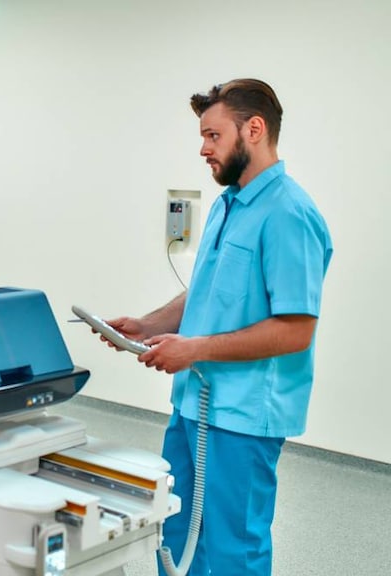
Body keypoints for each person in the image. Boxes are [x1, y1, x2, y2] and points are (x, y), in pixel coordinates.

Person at [104, 79, 333, 575]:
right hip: (193, 405)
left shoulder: (290, 214)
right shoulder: (229, 206)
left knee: (232, 549)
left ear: (253, 129)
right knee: (176, 533)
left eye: (213, 135)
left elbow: (295, 330)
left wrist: (195, 350)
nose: (203, 148)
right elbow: (207, 293)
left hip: (244, 415)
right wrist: (146, 325)